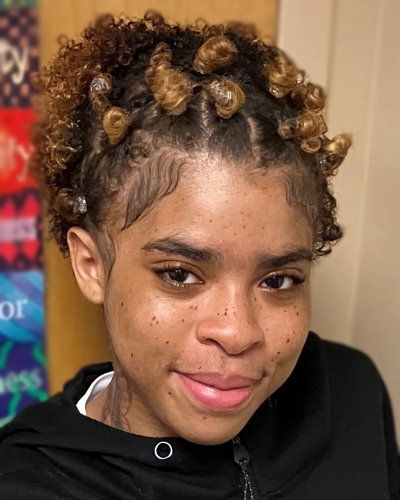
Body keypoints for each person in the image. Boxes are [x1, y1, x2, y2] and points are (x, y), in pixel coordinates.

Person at [0, 12, 399, 500]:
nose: (238, 333)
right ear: (92, 266)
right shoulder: (26, 484)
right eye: (180, 274)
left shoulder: (352, 393)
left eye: (278, 280)